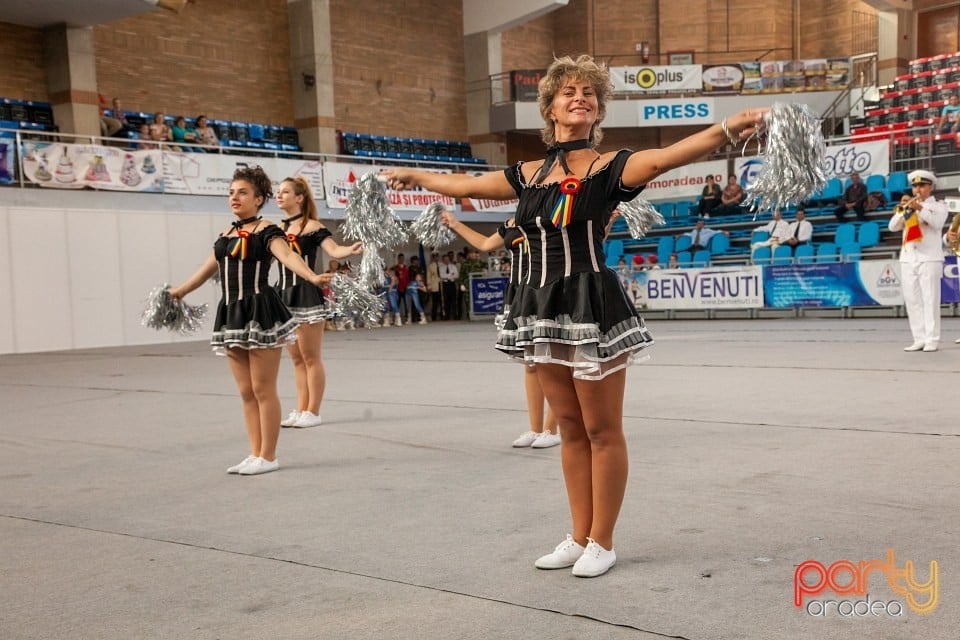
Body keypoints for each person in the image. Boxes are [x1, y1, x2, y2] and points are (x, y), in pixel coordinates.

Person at [383, 54, 764, 578]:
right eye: (569, 92)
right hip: (539, 307)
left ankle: (603, 541)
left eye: (589, 92)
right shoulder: (527, 175)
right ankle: (578, 534)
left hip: (591, 304)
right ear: (552, 108)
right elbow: (464, 186)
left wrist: (728, 127)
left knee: (603, 430)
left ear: (597, 110)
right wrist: (414, 174)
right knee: (568, 428)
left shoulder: (612, 168)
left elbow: (670, 156)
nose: (580, 97)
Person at [169, 166, 330, 476]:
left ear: (259, 198)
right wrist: (177, 293)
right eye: (231, 192)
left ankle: (268, 456)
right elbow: (205, 270)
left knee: (262, 388)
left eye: (242, 192)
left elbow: (288, 257)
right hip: (231, 313)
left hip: (260, 311)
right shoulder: (226, 236)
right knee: (245, 391)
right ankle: (254, 452)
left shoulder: (267, 230)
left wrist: (312, 276)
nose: (234, 197)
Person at [441, 209, 562, 449]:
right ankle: (536, 428)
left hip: (547, 290)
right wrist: (455, 224)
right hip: (520, 293)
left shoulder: (554, 216)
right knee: (530, 365)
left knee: (552, 364)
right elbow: (485, 244)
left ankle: (552, 429)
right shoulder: (510, 223)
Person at [275, 177, 363, 429]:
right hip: (283, 294)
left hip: (306, 293)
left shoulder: (312, 226)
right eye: (278, 192)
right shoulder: (279, 228)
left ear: (299, 198)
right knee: (296, 359)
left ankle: (313, 411)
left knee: (310, 357)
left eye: (285, 192)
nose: (279, 196)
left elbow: (334, 250)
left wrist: (351, 250)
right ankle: (301, 408)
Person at [888, 170, 947, 352]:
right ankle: (919, 337)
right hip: (909, 257)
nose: (917, 189)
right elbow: (892, 227)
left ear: (930, 187)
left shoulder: (939, 206)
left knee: (930, 299)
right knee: (913, 300)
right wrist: (904, 209)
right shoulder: (909, 206)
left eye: (921, 185)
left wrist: (919, 208)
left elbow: (937, 223)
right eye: (915, 186)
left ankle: (932, 338)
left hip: (929, 258)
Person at [438, 254, 459, 320]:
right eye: (445, 259)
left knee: (454, 300)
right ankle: (446, 316)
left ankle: (455, 315)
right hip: (445, 285)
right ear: (443, 260)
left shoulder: (453, 266)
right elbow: (442, 276)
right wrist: (450, 275)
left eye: (447, 259)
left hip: (452, 284)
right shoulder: (441, 267)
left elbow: (456, 275)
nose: (446, 260)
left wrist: (447, 276)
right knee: (446, 301)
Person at [425, 252, 442, 321]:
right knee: (434, 303)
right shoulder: (430, 266)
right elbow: (428, 276)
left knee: (441, 302)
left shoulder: (441, 264)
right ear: (433, 258)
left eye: (437, 257)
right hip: (434, 285)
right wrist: (429, 286)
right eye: (434, 257)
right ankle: (434, 317)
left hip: (441, 285)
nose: (436, 258)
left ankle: (442, 316)